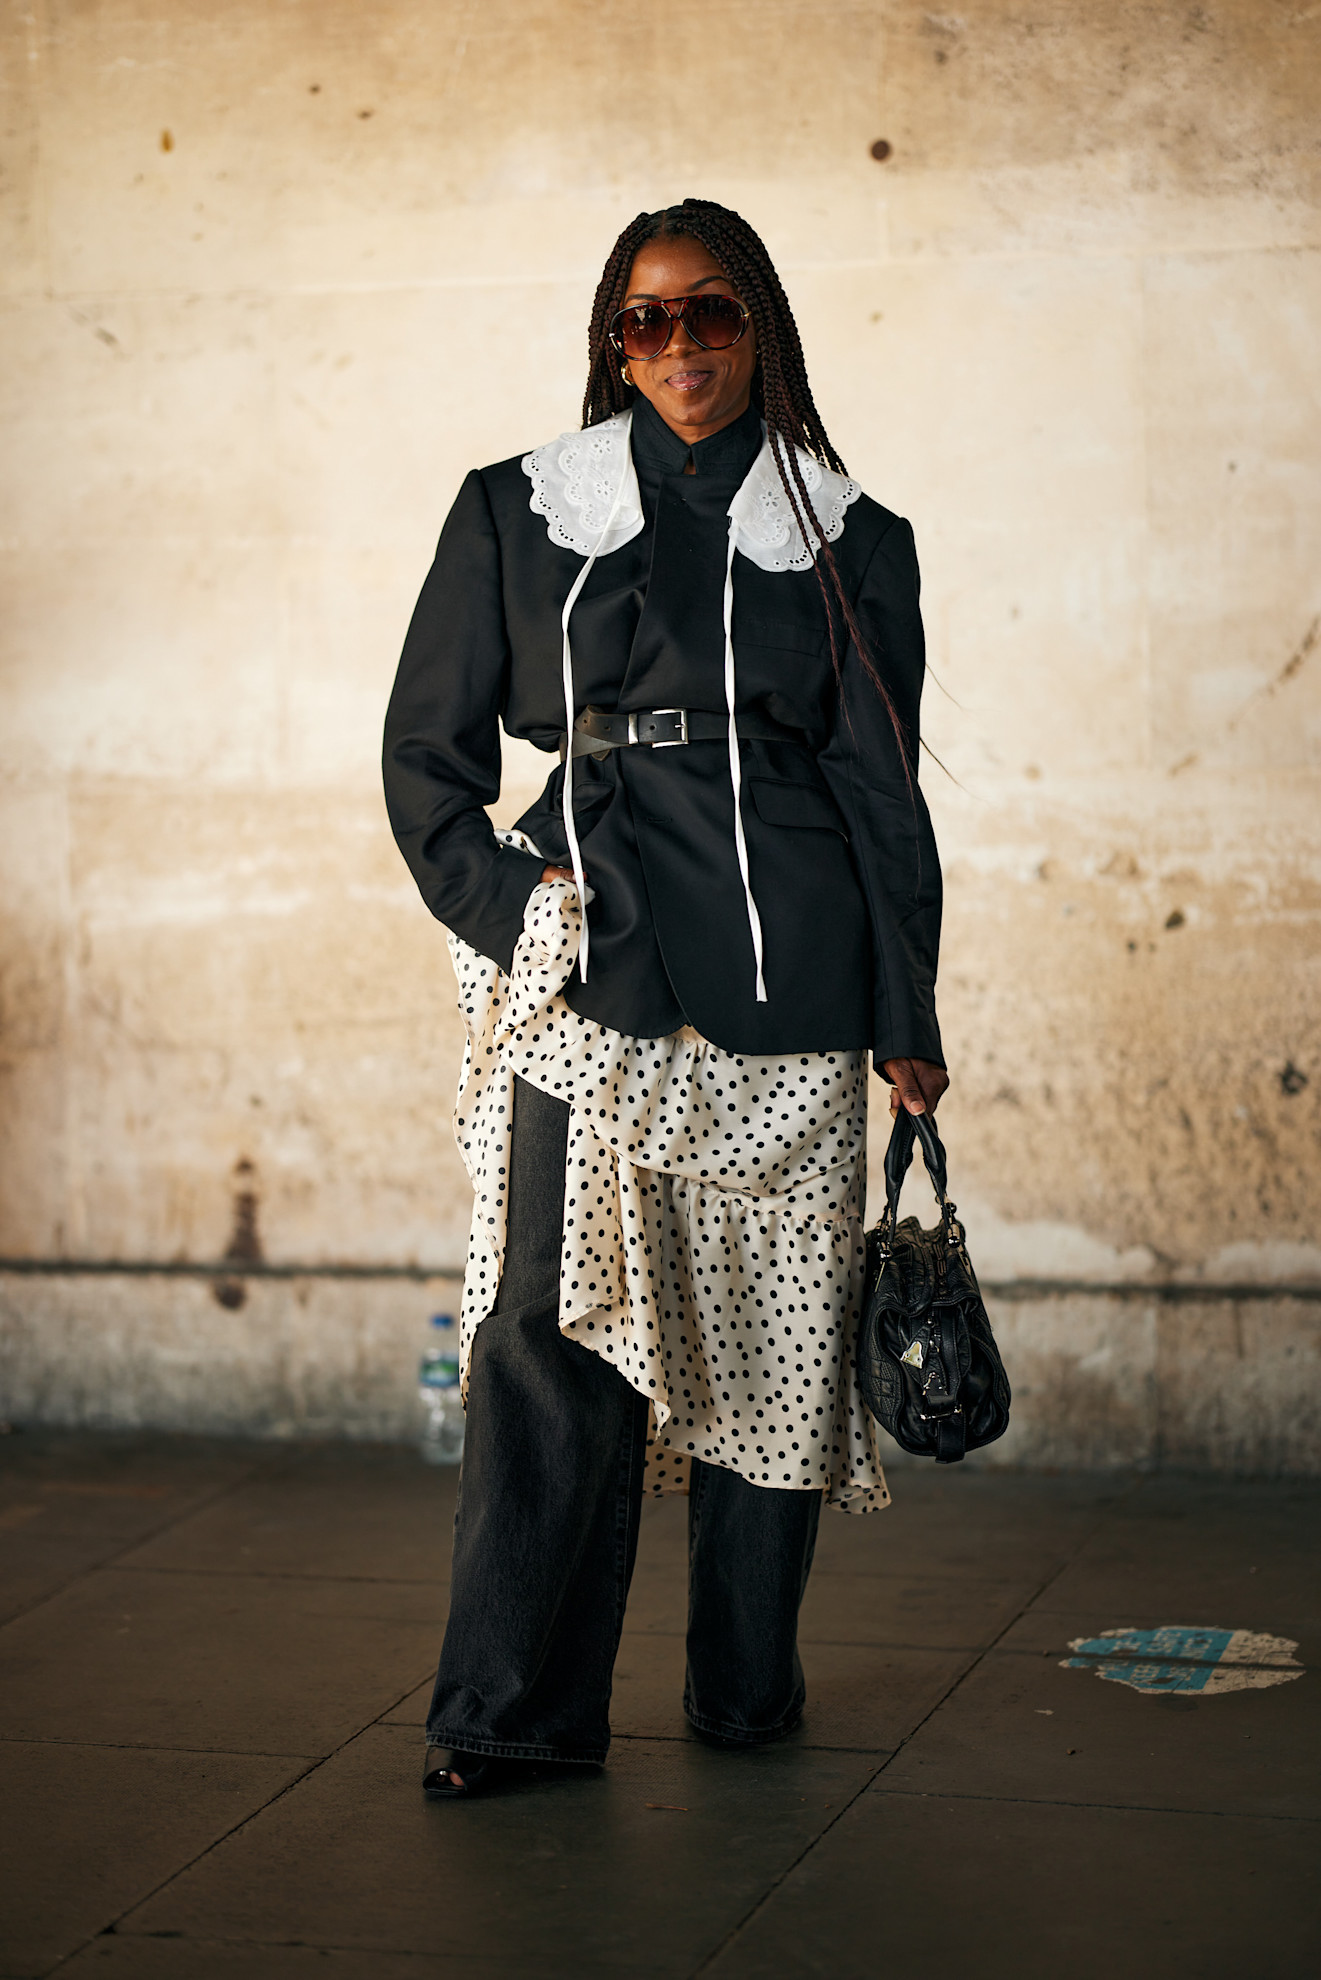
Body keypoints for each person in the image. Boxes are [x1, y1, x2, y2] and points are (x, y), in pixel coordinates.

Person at [383, 198, 947, 1799]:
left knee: (775, 1344)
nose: (680, 346)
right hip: (585, 974)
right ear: (608, 339)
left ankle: (744, 1693)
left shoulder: (851, 535)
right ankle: (509, 1712)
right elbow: (423, 761)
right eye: (645, 319)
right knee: (544, 1337)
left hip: (791, 980)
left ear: (758, 328)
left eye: (710, 316)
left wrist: (909, 1016)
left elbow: (881, 792)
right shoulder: (515, 509)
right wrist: (512, 917)